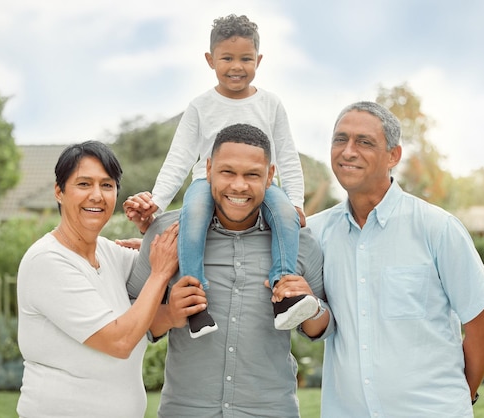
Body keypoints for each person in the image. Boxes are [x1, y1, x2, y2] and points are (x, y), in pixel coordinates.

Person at [124, 14, 316, 338]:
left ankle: (284, 290)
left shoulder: (270, 104)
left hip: (261, 185)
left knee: (285, 214)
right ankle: (195, 296)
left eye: (246, 58)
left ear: (260, 59)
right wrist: (156, 203)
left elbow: (286, 156)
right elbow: (179, 159)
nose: (236, 66)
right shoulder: (201, 106)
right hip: (207, 183)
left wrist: (296, 201)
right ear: (210, 60)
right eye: (227, 58)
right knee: (193, 213)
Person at [308, 101, 484, 417]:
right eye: (340, 139)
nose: (348, 151)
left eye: (364, 142)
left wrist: (456, 399)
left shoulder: (437, 228)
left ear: (393, 156)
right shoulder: (315, 234)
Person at [127, 123, 333, 417]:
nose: (239, 186)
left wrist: (311, 306)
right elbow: (131, 320)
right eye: (228, 172)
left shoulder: (299, 242)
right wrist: (169, 315)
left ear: (270, 175)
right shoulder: (166, 233)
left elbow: (324, 327)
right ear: (208, 169)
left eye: (252, 174)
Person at [16, 141, 180, 418]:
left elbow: (166, 280)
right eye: (83, 184)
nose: (97, 195)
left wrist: (152, 231)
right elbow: (119, 341)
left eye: (107, 185)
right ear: (59, 192)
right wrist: (159, 272)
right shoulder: (47, 261)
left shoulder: (110, 253)